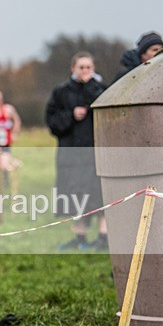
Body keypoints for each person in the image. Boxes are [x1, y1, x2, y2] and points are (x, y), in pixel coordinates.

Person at [45, 52, 108, 250]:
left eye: (88, 67)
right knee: (75, 194)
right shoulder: (61, 92)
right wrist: (71, 115)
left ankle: (103, 237)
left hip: (96, 152)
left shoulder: (102, 90)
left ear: (93, 68)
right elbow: (52, 122)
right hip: (71, 153)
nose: (85, 71)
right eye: (81, 67)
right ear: (73, 68)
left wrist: (90, 88)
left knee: (99, 193)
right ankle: (79, 237)